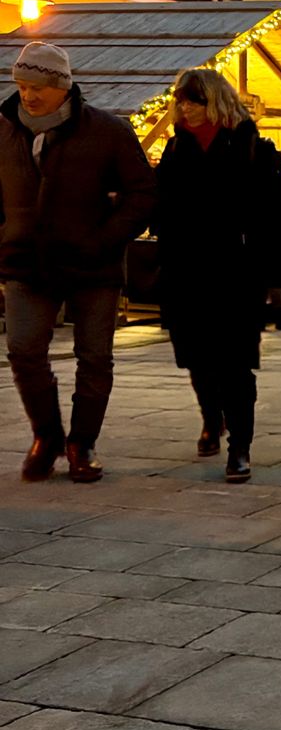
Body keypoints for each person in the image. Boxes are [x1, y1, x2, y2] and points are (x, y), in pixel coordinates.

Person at [0, 41, 155, 482]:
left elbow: (142, 194)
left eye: (38, 87)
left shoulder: (107, 131)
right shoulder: (3, 131)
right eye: (22, 85)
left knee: (95, 357)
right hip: (25, 262)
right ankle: (46, 436)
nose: (28, 95)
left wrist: (104, 239)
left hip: (93, 265)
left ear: (63, 86)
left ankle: (82, 442)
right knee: (24, 352)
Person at [153, 70, 281, 482]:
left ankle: (240, 444)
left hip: (238, 273)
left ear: (214, 102)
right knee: (196, 358)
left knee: (236, 364)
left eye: (194, 101)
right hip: (186, 274)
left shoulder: (249, 145)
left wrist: (275, 277)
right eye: (182, 101)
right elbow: (162, 208)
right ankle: (211, 417)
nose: (185, 108)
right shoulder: (175, 148)